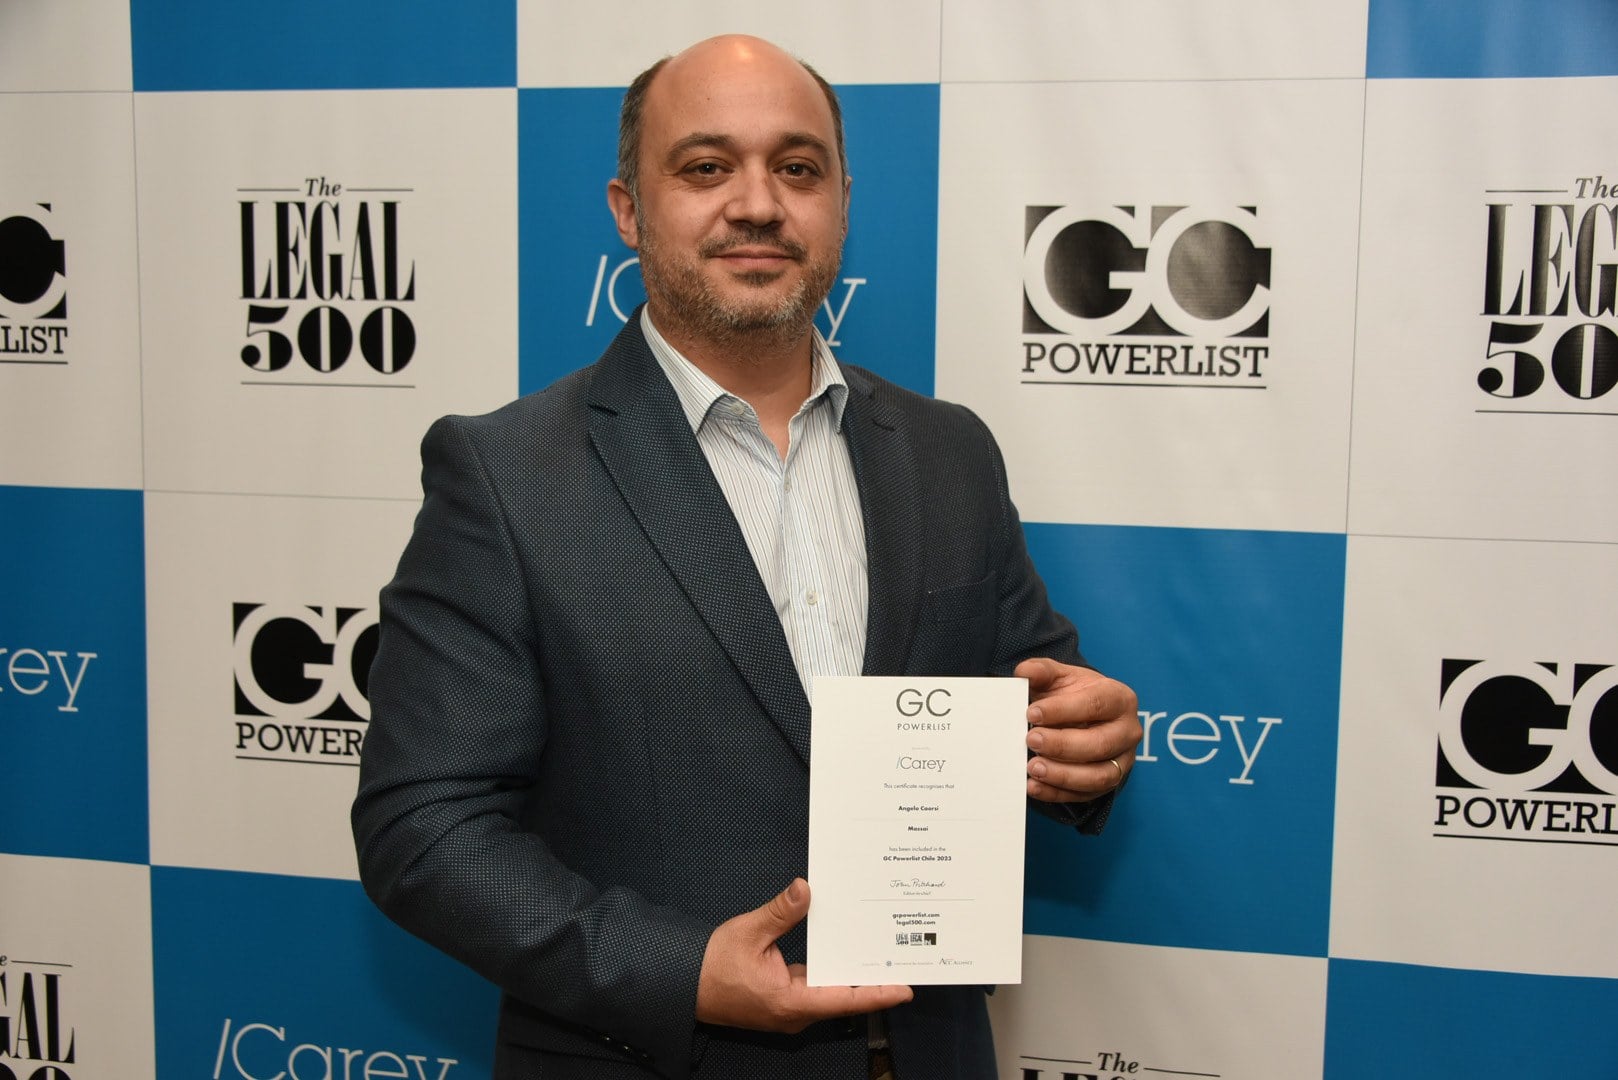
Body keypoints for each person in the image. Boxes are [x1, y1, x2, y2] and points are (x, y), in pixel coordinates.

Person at [352, 33, 1140, 1080]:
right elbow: (422, 827)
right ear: (629, 209)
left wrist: (1089, 743)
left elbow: (1035, 697)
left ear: (841, 204)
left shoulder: (949, 450)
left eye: (797, 168)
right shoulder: (505, 474)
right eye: (706, 166)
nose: (758, 204)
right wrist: (677, 971)